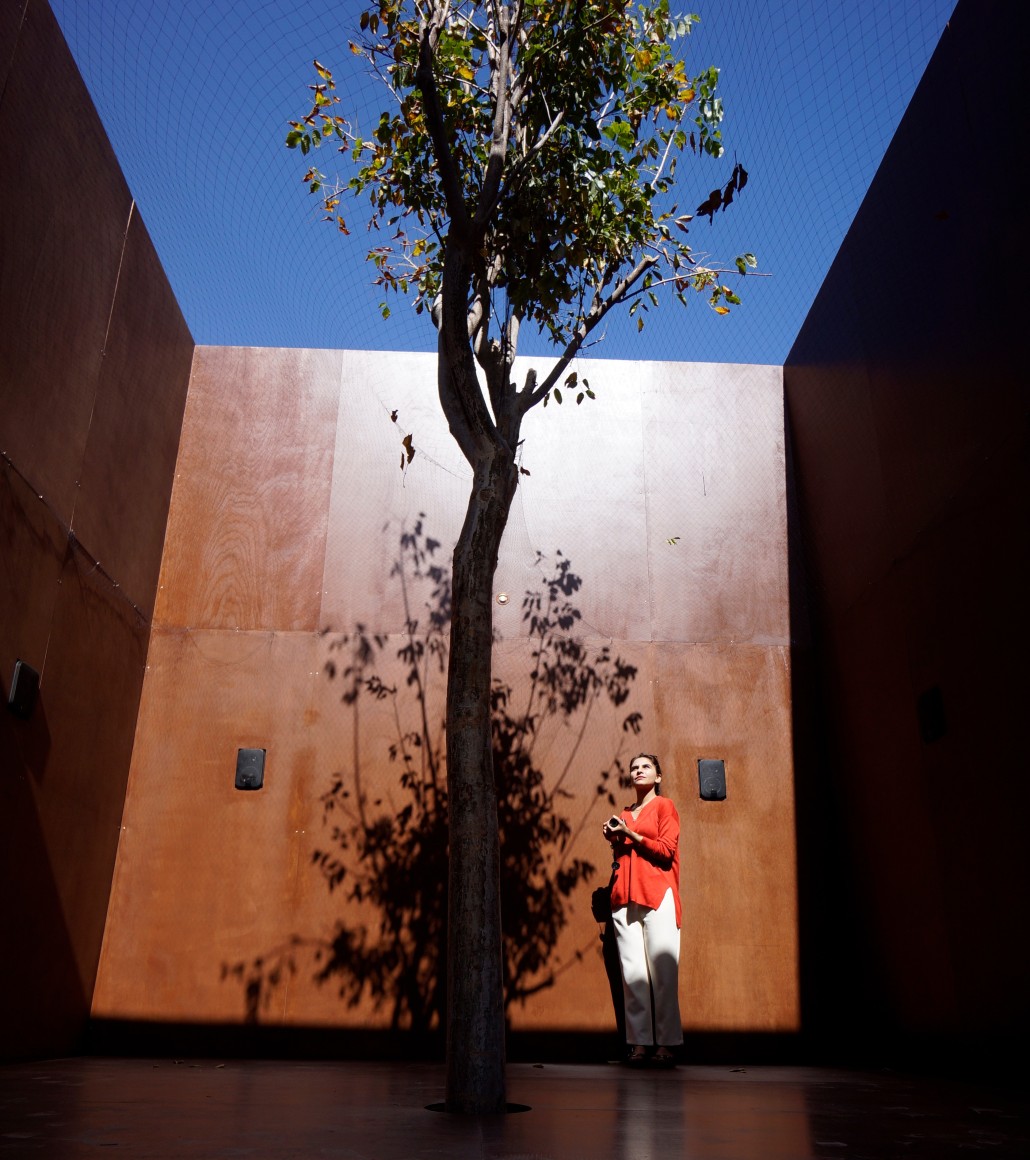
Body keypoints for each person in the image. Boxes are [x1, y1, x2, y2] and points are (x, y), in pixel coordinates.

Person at [603, 752, 682, 1066]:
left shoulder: (665, 806)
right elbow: (626, 857)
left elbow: (665, 850)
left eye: (646, 767)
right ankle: (639, 1044)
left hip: (657, 896)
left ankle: (666, 1044)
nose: (638, 771)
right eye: (634, 767)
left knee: (663, 974)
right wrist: (615, 838)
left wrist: (630, 834)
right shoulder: (625, 813)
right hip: (624, 898)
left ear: (658, 776)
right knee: (633, 976)